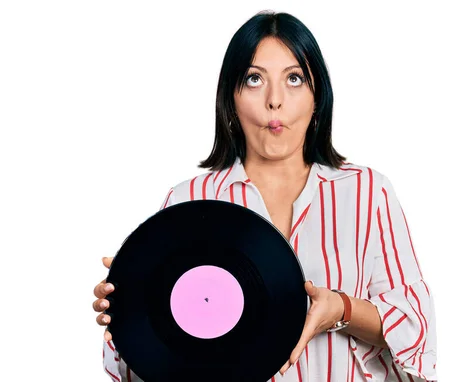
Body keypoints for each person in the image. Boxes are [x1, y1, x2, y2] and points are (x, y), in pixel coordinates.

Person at [92, 10, 437, 382]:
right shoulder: (189, 199)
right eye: (255, 79)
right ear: (231, 98)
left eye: (294, 79)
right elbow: (151, 363)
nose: (275, 100)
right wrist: (129, 312)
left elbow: (417, 328)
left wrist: (341, 308)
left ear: (317, 97)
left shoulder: (369, 192)